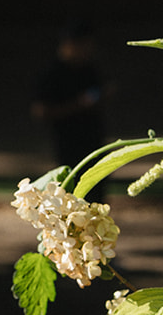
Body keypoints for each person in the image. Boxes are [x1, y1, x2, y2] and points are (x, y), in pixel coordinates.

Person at [32, 23, 108, 197]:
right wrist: (78, 105)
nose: (87, 51)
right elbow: (40, 110)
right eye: (84, 46)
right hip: (68, 141)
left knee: (97, 190)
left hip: (93, 138)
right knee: (71, 189)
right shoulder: (52, 74)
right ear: (69, 44)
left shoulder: (89, 69)